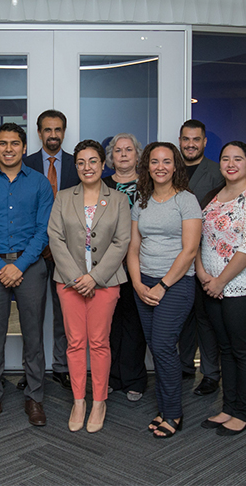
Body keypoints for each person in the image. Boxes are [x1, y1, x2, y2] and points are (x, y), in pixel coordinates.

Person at [0, 123, 54, 427]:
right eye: (3, 143)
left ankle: (34, 398)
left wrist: (18, 266)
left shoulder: (40, 184)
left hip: (30, 266)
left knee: (33, 337)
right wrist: (0, 266)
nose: (9, 149)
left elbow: (43, 231)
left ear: (23, 147)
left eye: (15, 143)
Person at [48, 139, 131, 433]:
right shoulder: (63, 197)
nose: (87, 167)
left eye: (93, 161)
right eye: (81, 162)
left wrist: (94, 278)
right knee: (74, 343)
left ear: (103, 164)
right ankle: (79, 400)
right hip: (69, 283)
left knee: (98, 342)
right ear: (76, 166)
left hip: (106, 283)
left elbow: (122, 242)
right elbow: (55, 238)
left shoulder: (119, 199)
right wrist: (76, 277)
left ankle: (99, 401)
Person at [126, 142, 202, 438]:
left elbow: (190, 249)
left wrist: (162, 285)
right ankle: (165, 406)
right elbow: (133, 248)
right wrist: (137, 283)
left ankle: (173, 414)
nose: (160, 167)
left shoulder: (186, 200)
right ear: (147, 167)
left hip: (176, 284)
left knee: (162, 346)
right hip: (143, 283)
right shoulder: (141, 201)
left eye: (166, 161)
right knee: (157, 348)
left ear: (175, 166)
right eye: (154, 162)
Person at [196, 141, 246, 436]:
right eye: (225, 158)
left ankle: (243, 411)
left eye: (237, 159)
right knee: (225, 349)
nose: (230, 164)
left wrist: (220, 281)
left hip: (244, 288)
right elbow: (202, 240)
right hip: (212, 285)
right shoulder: (215, 197)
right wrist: (203, 275)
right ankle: (228, 406)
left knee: (243, 350)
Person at [24, 109, 79, 390]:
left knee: (64, 313)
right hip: (32, 250)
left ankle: (61, 366)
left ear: (64, 132)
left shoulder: (76, 165)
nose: (53, 135)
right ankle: (30, 369)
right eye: (48, 130)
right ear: (39, 132)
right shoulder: (25, 163)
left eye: (58, 130)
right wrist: (41, 244)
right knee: (30, 313)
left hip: (67, 251)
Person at [176, 120, 225, 397]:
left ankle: (210, 373)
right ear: (180, 141)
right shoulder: (169, 167)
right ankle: (183, 365)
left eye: (196, 139)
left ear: (205, 142)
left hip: (207, 255)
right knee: (182, 316)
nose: (190, 144)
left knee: (206, 319)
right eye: (186, 139)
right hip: (176, 255)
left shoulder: (217, 173)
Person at [103, 133, 148, 402]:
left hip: (140, 263)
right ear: (111, 156)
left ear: (137, 155)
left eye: (128, 149)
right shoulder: (102, 184)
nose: (123, 154)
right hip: (107, 264)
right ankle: (110, 377)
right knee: (108, 323)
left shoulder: (148, 185)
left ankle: (133, 378)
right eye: (117, 150)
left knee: (134, 323)